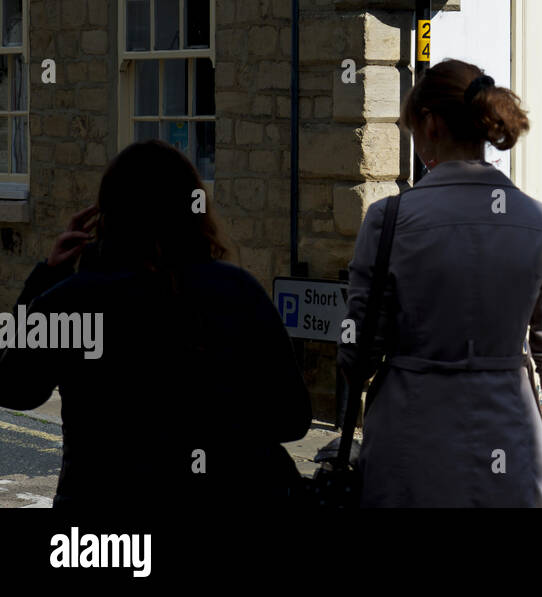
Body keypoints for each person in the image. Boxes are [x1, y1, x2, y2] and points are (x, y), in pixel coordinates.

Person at [341, 59, 542, 507]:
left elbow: (358, 354)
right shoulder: (539, 223)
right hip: (511, 443)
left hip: (409, 448)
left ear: (430, 124)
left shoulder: (388, 222)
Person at [0, 141, 312, 509]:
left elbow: (14, 387)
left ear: (105, 215)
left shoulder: (72, 300)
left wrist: (46, 276)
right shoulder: (237, 290)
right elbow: (292, 419)